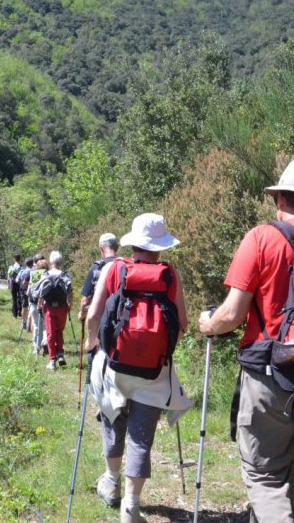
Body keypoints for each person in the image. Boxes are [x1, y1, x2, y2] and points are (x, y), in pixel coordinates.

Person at [198, 160, 294, 523]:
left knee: (262, 473)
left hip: (271, 375)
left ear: (279, 199)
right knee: (285, 461)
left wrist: (207, 325)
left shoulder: (262, 237)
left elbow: (231, 316)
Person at [85, 213, 190, 523]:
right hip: (154, 373)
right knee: (140, 438)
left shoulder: (115, 268)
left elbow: (93, 315)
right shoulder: (169, 275)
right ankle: (130, 508)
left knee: (112, 422)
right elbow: (181, 324)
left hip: (114, 366)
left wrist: (94, 346)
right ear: (160, 246)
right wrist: (161, 351)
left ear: (133, 242)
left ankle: (111, 482)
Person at [77, 232, 119, 325]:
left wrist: (82, 314)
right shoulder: (125, 265)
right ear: (117, 247)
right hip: (120, 318)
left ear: (101, 248)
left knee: (92, 339)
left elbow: (85, 301)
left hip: (100, 318)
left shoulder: (97, 267)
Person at [40, 251, 72, 371]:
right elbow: (70, 291)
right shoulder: (64, 275)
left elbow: (41, 292)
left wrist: (39, 304)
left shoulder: (46, 274)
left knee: (50, 334)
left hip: (49, 308)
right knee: (59, 331)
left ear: (51, 262)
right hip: (62, 307)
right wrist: (69, 305)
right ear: (60, 262)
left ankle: (52, 361)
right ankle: (60, 355)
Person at [28, 256, 48, 354]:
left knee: (36, 325)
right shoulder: (47, 274)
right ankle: (45, 341)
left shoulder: (32, 274)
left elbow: (29, 290)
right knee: (45, 325)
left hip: (32, 302)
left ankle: (36, 347)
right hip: (44, 302)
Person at [17, 257, 33, 330]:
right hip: (31, 290)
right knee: (31, 306)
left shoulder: (22, 271)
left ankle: (23, 322)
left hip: (23, 289)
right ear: (32, 263)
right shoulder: (33, 271)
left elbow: (17, 280)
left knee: (24, 306)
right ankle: (29, 324)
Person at [7, 254, 22, 320]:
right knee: (20, 298)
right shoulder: (22, 267)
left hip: (13, 284)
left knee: (14, 299)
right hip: (20, 284)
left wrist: (9, 285)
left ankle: (14, 314)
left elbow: (9, 277)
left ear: (14, 259)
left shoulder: (11, 267)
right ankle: (20, 312)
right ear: (19, 259)